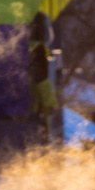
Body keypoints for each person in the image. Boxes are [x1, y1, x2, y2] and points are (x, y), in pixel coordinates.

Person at [28, 12, 59, 142]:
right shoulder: (37, 49)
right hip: (34, 108)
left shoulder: (20, 47)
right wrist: (50, 104)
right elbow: (41, 79)